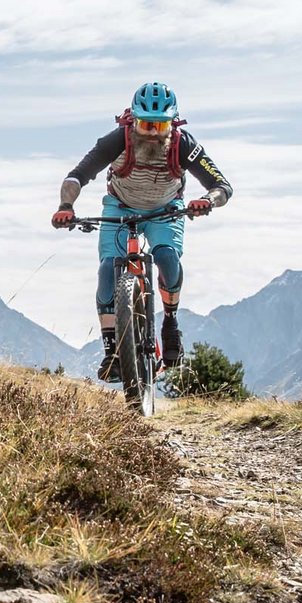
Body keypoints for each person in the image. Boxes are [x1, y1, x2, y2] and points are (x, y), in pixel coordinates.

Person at [52, 82, 231, 382]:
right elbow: (77, 176)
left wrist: (207, 200)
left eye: (159, 125)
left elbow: (222, 186)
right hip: (120, 207)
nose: (151, 131)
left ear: (172, 123)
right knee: (107, 270)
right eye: (145, 124)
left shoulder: (183, 144)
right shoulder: (117, 140)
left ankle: (170, 323)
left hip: (166, 209)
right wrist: (65, 205)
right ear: (133, 119)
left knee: (166, 256)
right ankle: (112, 352)